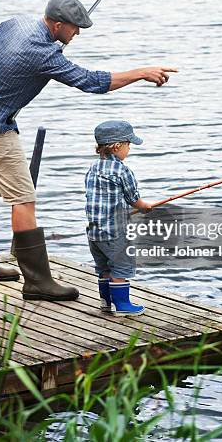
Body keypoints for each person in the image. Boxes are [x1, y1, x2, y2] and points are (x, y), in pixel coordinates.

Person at [0, 0, 177, 302]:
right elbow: (91, 81)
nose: (78, 34)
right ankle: (36, 282)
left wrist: (50, 49)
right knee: (23, 199)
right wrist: (140, 73)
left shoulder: (15, 25)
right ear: (58, 25)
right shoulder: (43, 54)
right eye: (75, 28)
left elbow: (11, 47)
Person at [85, 120, 153, 316]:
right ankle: (122, 305)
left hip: (94, 232)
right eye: (128, 145)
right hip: (115, 231)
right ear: (117, 146)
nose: (129, 149)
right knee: (121, 267)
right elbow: (134, 199)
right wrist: (145, 207)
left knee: (104, 267)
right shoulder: (122, 170)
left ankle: (106, 302)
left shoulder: (93, 168)